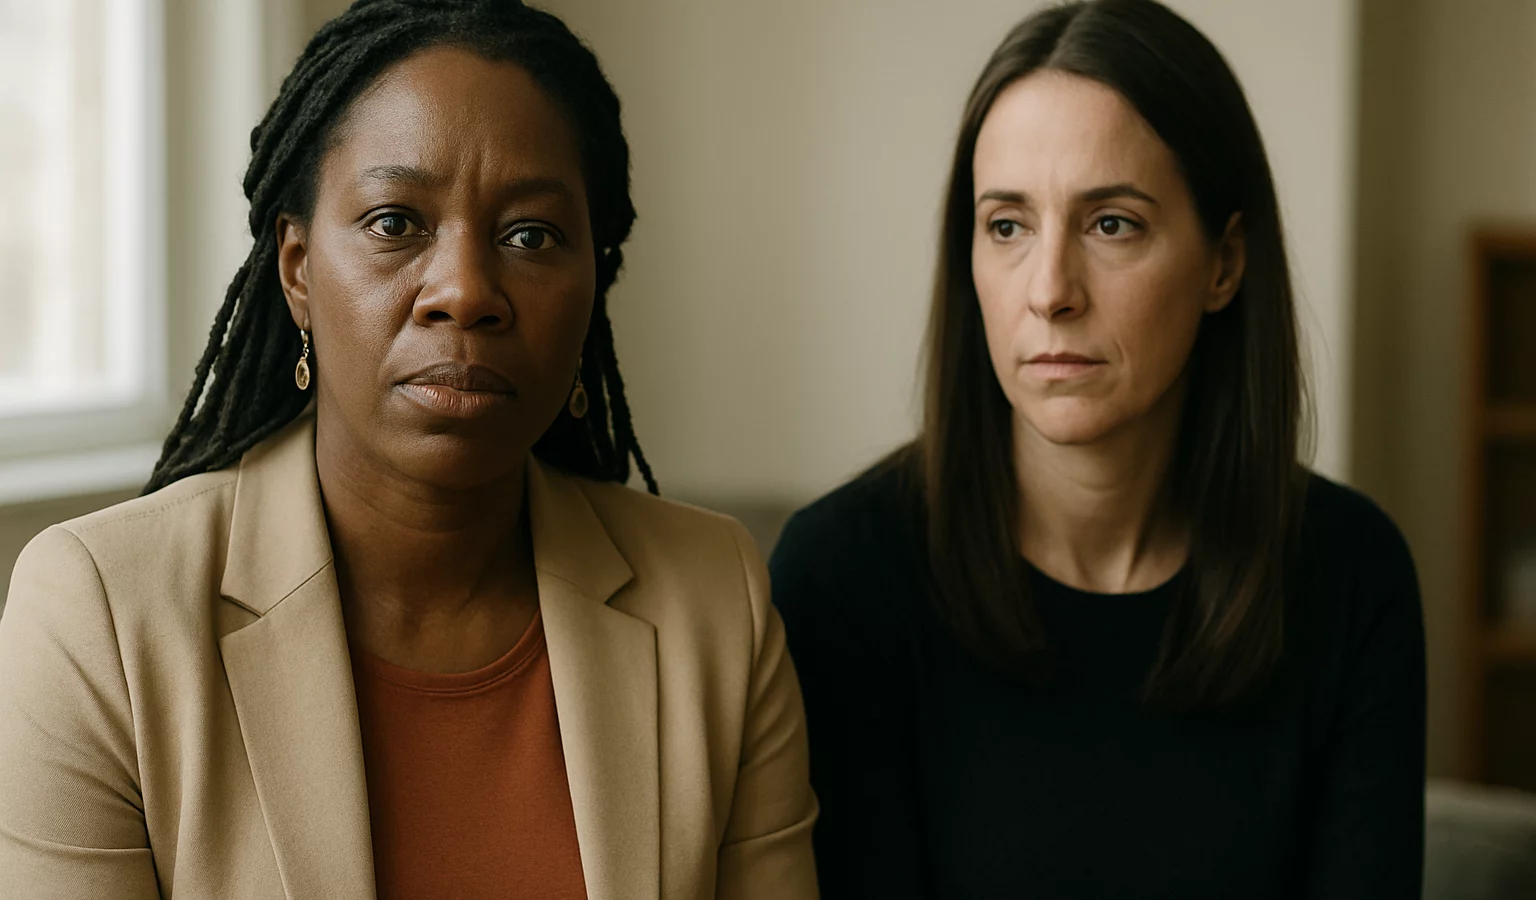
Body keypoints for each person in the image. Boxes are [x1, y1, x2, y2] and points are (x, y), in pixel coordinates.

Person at [0, 2, 817, 898]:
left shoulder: (713, 601)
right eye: (395, 223)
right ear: (298, 268)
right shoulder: (102, 616)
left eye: (531, 235)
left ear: (595, 280)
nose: (465, 292)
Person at [769, 1, 1425, 898]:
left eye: (1111, 223)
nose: (1049, 291)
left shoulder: (1352, 575)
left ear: (1225, 262)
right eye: (1008, 225)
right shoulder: (841, 577)